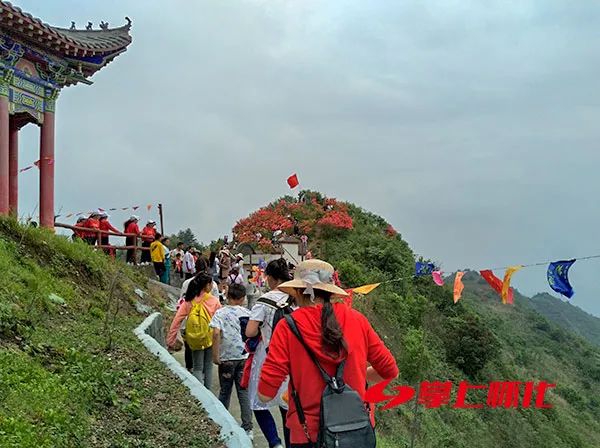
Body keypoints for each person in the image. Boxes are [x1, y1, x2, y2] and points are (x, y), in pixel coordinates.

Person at [257, 260, 399, 448]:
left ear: (299, 291)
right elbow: (389, 370)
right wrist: (354, 374)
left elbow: (265, 394)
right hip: (357, 432)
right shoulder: (358, 320)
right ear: (330, 291)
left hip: (308, 435)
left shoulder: (287, 327)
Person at [245, 258, 293, 448]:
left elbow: (250, 331)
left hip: (268, 357)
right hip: (292, 359)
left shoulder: (263, 301)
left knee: (258, 402)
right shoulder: (296, 299)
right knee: (288, 404)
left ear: (271, 279)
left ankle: (275, 442)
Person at [210, 284, 253, 438]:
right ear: (242, 299)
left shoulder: (220, 313)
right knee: (243, 393)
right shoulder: (247, 313)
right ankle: (248, 428)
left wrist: (215, 356)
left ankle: (222, 424)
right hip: (243, 357)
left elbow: (215, 333)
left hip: (226, 359)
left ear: (227, 296)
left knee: (225, 391)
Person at [168, 273, 221, 388]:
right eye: (211, 283)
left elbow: (177, 319)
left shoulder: (189, 301)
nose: (212, 286)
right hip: (209, 337)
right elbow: (221, 322)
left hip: (194, 337)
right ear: (207, 286)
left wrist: (171, 339)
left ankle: (200, 394)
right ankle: (208, 393)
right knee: (208, 366)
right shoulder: (214, 301)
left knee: (197, 367)